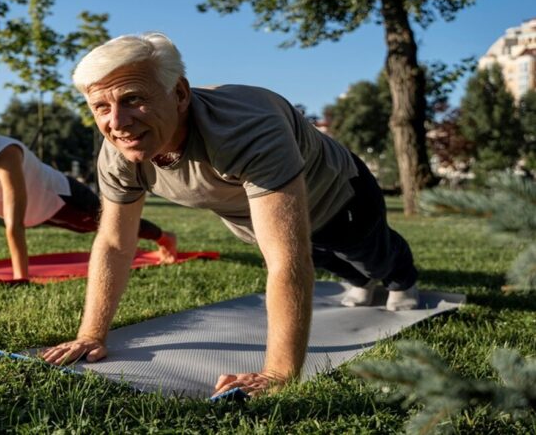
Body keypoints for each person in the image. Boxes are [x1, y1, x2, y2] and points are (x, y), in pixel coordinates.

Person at [40, 32, 420, 397]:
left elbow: (285, 259)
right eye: (101, 107)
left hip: (339, 197)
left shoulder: (246, 128)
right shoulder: (119, 154)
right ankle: (361, 280)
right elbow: (114, 243)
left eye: (134, 99)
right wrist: (91, 334)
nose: (117, 122)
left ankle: (402, 278)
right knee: (329, 263)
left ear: (180, 94)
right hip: (253, 219)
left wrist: (278, 372)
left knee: (368, 254)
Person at [0, 98, 177, 280]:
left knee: (109, 224)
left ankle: (164, 237)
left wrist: (21, 276)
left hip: (63, 198)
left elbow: (14, 217)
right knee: (100, 226)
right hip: (37, 211)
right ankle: (161, 236)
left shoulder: (3, 152)